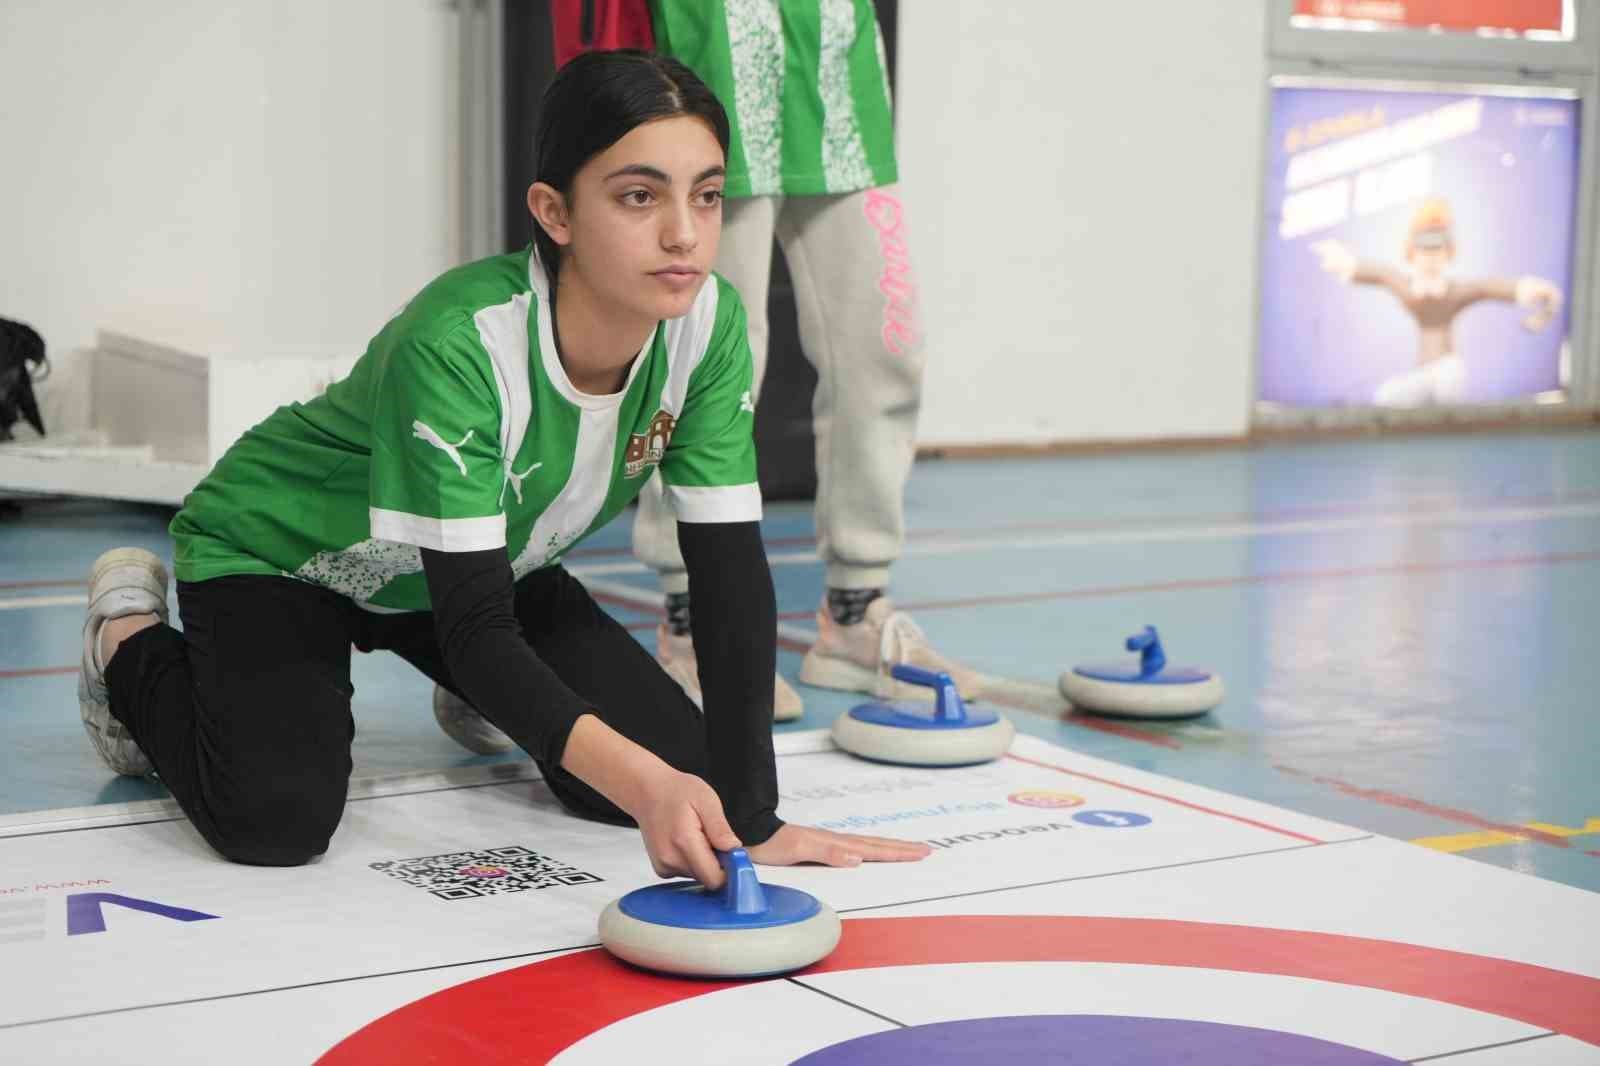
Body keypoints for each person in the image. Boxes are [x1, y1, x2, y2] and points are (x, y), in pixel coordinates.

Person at [77, 51, 928, 885]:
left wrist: (753, 814)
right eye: (640, 196)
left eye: (706, 196)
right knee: (275, 821)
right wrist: (632, 777)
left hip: (478, 571)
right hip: (286, 556)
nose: (684, 234)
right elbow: (478, 632)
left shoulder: (708, 325)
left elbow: (730, 576)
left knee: (689, 779)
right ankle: (125, 640)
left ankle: (491, 699)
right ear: (554, 213)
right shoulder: (461, 342)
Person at [516, 0, 979, 729]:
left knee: (886, 348)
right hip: (710, 62)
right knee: (717, 360)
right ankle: (691, 615)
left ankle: (856, 609)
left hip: (836, 76)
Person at [1312, 198, 1562, 407]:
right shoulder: (1406, 288)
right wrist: (1344, 261)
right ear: (1412, 252)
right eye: (1424, 250)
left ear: (1448, 253)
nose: (1430, 259)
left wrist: (1534, 289)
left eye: (1437, 250)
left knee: (1448, 380)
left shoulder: (1455, 292)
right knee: (1386, 397)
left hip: (1447, 371)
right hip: (1422, 375)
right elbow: (1379, 274)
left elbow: (1488, 288)